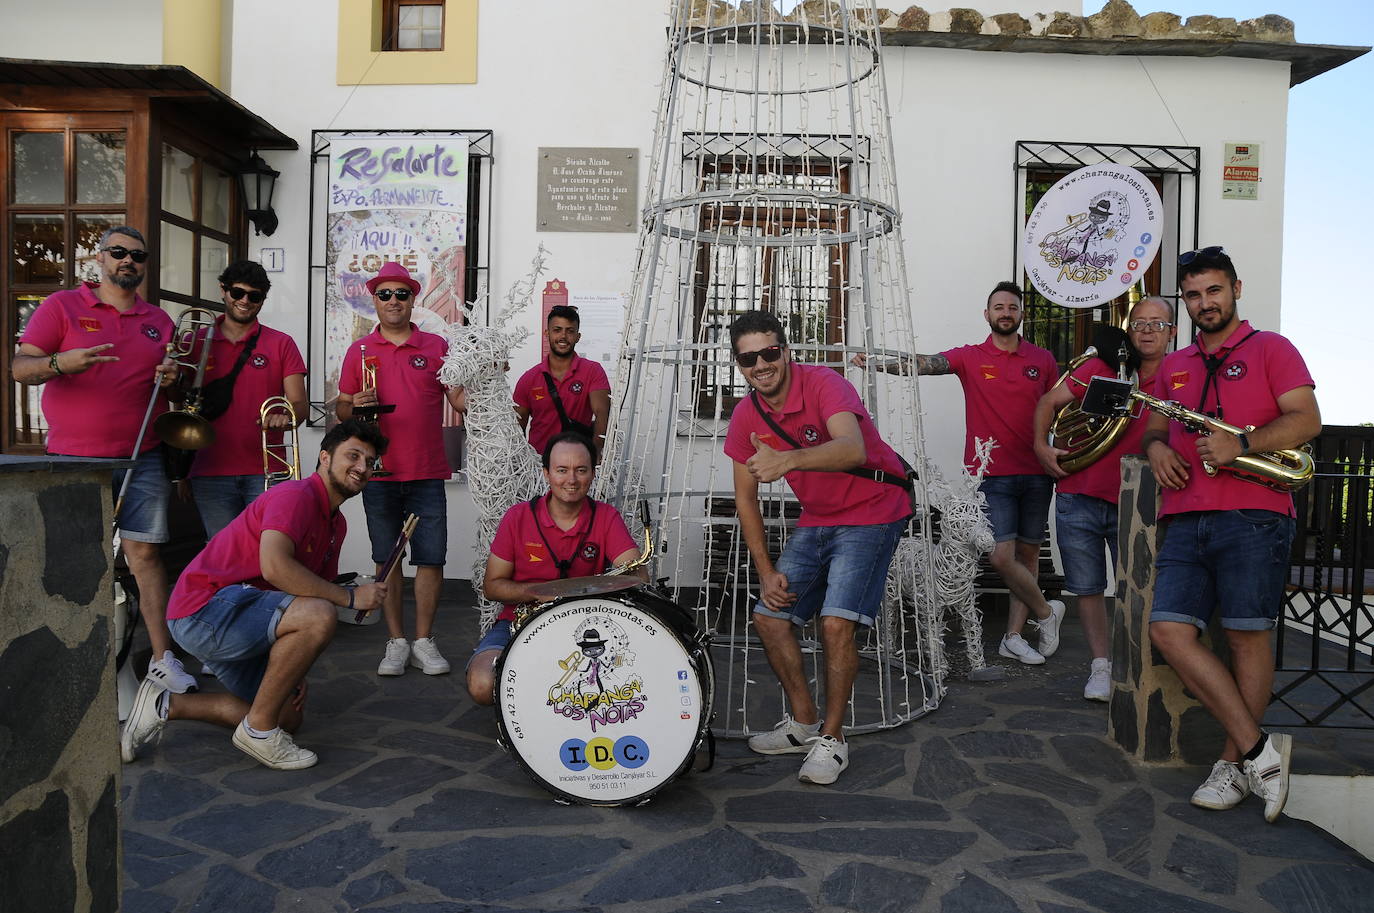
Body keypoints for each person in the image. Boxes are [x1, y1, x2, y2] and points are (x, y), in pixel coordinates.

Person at [1142, 247, 1319, 823]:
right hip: (1185, 516)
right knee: (1169, 631)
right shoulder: (1176, 364)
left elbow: (1305, 419)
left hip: (1255, 514)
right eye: (1193, 296)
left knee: (1246, 638)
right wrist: (1158, 447)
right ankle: (1260, 750)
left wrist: (1241, 445)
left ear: (1235, 288)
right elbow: (1155, 424)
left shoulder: (1273, 348)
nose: (1204, 304)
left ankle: (1231, 762)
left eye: (1213, 291)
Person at [120, 419, 389, 770]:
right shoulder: (296, 496)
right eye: (353, 456)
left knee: (288, 716)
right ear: (324, 457)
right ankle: (259, 732)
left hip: (242, 615)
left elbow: (305, 594)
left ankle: (165, 705)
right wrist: (351, 597)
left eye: (370, 462)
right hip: (203, 609)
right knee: (322, 614)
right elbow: (275, 568)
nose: (362, 467)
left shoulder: (336, 523)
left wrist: (295, 670)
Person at [725, 310, 912, 786]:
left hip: (874, 507)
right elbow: (745, 501)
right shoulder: (747, 414)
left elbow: (851, 448)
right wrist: (766, 572)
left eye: (770, 352)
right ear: (739, 365)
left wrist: (787, 459)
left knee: (835, 622)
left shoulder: (824, 383)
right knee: (769, 615)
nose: (761, 365)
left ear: (786, 351)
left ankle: (833, 739)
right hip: (819, 518)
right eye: (749, 358)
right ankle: (804, 723)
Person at [12, 226, 195, 693]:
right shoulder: (62, 307)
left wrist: (173, 377)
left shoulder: (159, 320)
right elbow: (20, 368)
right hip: (75, 460)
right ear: (101, 257)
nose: (127, 261)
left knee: (146, 555)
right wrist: (60, 364)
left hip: (143, 457)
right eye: (118, 252)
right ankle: (75, 656)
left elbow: (174, 391)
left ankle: (161, 657)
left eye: (137, 255)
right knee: (75, 562)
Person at [905, 281, 1067, 665]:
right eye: (999, 307)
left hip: (1037, 472)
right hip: (988, 477)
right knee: (999, 555)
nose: (1006, 312)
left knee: (1028, 555)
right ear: (987, 314)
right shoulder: (971, 357)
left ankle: (1012, 636)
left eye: (1012, 307)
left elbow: (1057, 411)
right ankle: (1047, 613)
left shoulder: (1042, 360)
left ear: (1021, 314)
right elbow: (926, 364)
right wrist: (879, 361)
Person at [1032, 297, 1177, 700]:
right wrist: (1043, 449)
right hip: (1079, 493)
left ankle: (1131, 665)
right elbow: (1049, 403)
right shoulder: (1102, 368)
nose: (1147, 330)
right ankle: (1100, 666)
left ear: (1173, 332)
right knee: (1088, 587)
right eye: (1140, 323)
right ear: (1130, 331)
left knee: (1136, 588)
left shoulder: (1180, 376)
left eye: (1157, 324)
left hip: (1138, 499)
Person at [338, 261, 465, 677]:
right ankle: (395, 642)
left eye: (402, 294)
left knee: (431, 559)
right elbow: (341, 408)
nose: (393, 301)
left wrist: (486, 377)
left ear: (414, 300)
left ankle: (424, 640)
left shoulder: (435, 346)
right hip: (379, 473)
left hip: (426, 470)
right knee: (386, 562)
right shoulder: (359, 351)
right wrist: (355, 404)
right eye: (385, 294)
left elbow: (460, 400)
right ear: (374, 300)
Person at [466, 431, 643, 705]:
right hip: (519, 619)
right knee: (482, 683)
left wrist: (606, 584)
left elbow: (638, 575)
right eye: (562, 470)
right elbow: (492, 586)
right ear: (546, 474)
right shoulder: (518, 517)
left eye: (580, 470)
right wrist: (540, 592)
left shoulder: (607, 517)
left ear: (593, 474)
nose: (571, 480)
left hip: (585, 624)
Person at [186, 259, 307, 537]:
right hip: (209, 469)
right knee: (222, 554)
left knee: (270, 555)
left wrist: (287, 415)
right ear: (223, 290)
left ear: (263, 299)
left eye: (255, 296)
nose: (245, 301)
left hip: (268, 469)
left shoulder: (281, 343)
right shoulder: (197, 341)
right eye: (237, 292)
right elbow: (178, 401)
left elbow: (299, 404)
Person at [513, 305, 610, 459]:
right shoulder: (529, 378)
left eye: (570, 331)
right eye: (557, 330)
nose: (563, 336)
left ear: (578, 336)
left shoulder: (593, 371)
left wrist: (595, 454)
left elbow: (602, 413)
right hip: (540, 466)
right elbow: (517, 428)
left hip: (578, 465)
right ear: (547, 333)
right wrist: (521, 463)